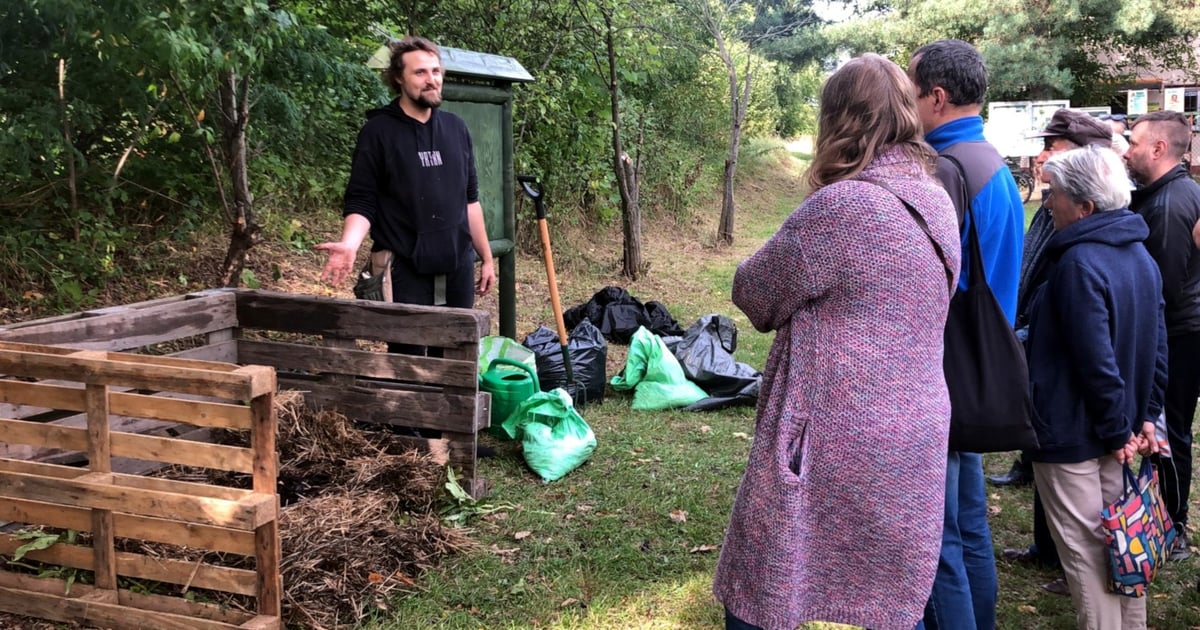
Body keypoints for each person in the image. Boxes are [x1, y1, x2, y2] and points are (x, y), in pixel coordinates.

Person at [713, 53, 961, 630]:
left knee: (763, 586)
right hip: (916, 427)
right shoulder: (935, 200)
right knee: (891, 594)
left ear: (838, 120)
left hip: (834, 430)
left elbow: (754, 293)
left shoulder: (843, 207)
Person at [907, 39, 1025, 630]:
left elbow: (936, 285)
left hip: (949, 373)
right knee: (970, 525)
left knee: (938, 541)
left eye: (911, 90)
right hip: (982, 367)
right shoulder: (992, 162)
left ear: (936, 96)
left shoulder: (947, 172)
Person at [1027, 145, 1167, 630]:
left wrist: (1118, 430)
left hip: (1078, 436)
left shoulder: (1077, 264)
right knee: (1121, 547)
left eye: (1055, 194)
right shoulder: (1140, 254)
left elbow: (1096, 362)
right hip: (1117, 431)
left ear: (1084, 207)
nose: (1048, 203)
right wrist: (1144, 416)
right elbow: (1157, 346)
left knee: (1088, 557)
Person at [993, 109, 1116, 593]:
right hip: (1034, 338)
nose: (1043, 154)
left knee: (1072, 463)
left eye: (1053, 146)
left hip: (1058, 350)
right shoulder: (1052, 204)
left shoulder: (1087, 224)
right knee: (1048, 456)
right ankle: (1048, 549)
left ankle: (1076, 564)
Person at [315, 36, 496, 325]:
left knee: (457, 357)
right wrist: (349, 243)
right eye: (420, 72)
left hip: (458, 266)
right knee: (408, 359)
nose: (431, 80)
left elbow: (470, 200)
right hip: (404, 268)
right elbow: (362, 200)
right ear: (399, 78)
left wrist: (486, 258)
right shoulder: (378, 132)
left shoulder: (456, 128)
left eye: (435, 71)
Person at [1124, 110, 1200, 561]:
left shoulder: (1171, 204)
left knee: (1169, 428)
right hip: (1179, 330)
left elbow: (1163, 287)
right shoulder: (1165, 193)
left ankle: (1173, 527)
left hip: (1179, 333)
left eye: (1133, 142)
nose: (1127, 150)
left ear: (1158, 149)